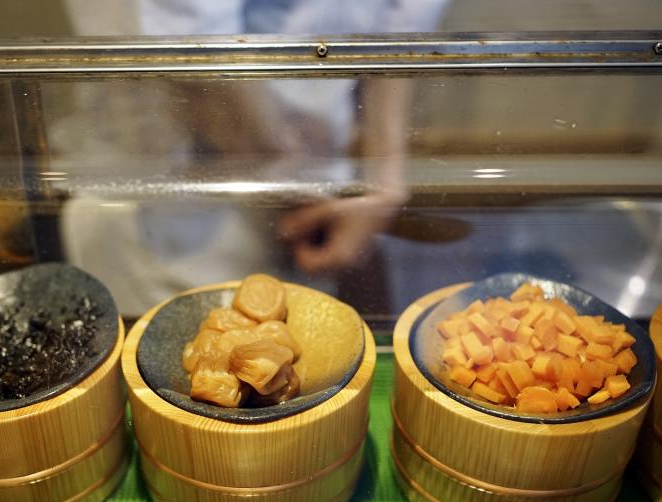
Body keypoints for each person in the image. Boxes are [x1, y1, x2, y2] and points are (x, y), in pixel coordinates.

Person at [59, 0, 450, 316]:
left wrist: (385, 177)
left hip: (313, 180)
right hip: (175, 183)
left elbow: (408, 19)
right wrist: (299, 178)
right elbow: (193, 43)